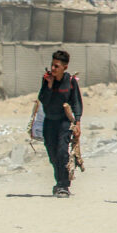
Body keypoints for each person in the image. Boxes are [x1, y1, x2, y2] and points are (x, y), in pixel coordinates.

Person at [38, 50, 82, 198]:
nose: (53, 69)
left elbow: (76, 103)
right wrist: (49, 86)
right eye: (52, 65)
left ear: (65, 67)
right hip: (49, 121)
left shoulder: (70, 82)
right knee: (52, 154)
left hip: (64, 122)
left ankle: (64, 185)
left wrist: (77, 122)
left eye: (56, 66)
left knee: (62, 151)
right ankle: (59, 182)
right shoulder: (47, 80)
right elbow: (43, 101)